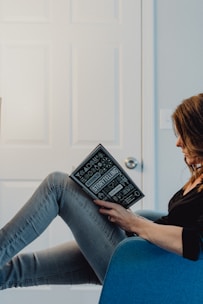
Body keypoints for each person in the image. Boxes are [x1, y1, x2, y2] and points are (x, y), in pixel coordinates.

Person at [1, 93, 203, 290]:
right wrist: (135, 219)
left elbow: (196, 244)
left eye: (184, 135)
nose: (178, 143)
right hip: (139, 254)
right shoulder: (198, 178)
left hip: (144, 272)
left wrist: (134, 222)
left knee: (58, 185)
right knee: (13, 271)